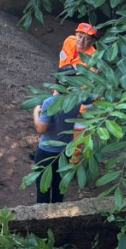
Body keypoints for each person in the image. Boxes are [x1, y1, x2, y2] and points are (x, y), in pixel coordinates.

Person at [32, 69, 88, 204]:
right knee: (59, 187)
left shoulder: (50, 102)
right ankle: (57, 212)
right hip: (65, 152)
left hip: (46, 152)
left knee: (43, 188)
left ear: (57, 82)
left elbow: (41, 129)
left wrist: (36, 113)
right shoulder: (77, 100)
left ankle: (42, 215)